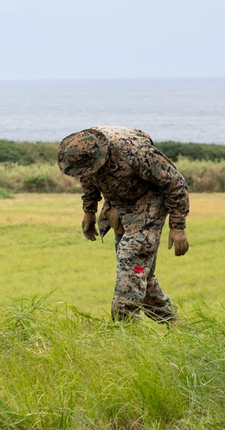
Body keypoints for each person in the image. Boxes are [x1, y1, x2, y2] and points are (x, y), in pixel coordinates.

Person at [58, 126, 189, 322]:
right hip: (119, 207)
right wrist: (89, 210)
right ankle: (175, 323)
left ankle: (125, 330)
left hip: (149, 203)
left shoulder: (137, 154)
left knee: (131, 262)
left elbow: (175, 183)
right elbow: (87, 175)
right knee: (137, 271)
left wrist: (177, 227)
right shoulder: (86, 152)